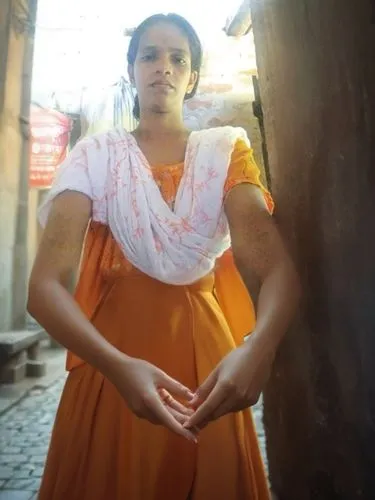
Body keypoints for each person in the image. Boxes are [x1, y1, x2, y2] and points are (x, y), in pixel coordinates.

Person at [28, 13, 300, 500]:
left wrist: (259, 349)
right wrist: (116, 367)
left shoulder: (224, 152)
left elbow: (275, 267)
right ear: (131, 69)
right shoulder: (96, 157)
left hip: (207, 366)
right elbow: (44, 288)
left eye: (179, 58)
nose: (164, 67)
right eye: (150, 55)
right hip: (112, 361)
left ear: (192, 76)